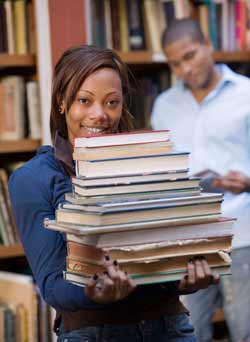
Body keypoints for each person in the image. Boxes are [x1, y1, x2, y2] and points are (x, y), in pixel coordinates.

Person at [9, 45, 218, 342]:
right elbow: (52, 286)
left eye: (112, 102)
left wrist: (183, 280)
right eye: (84, 100)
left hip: (170, 328)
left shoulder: (148, 166)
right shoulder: (33, 179)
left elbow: (158, 264)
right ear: (61, 101)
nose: (100, 114)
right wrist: (94, 291)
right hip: (93, 333)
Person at [151, 18, 250, 342]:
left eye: (190, 56)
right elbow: (160, 170)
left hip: (243, 233)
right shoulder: (164, 106)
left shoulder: (246, 95)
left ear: (208, 46)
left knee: (245, 329)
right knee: (186, 332)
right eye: (175, 63)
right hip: (188, 238)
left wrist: (248, 181)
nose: (184, 69)